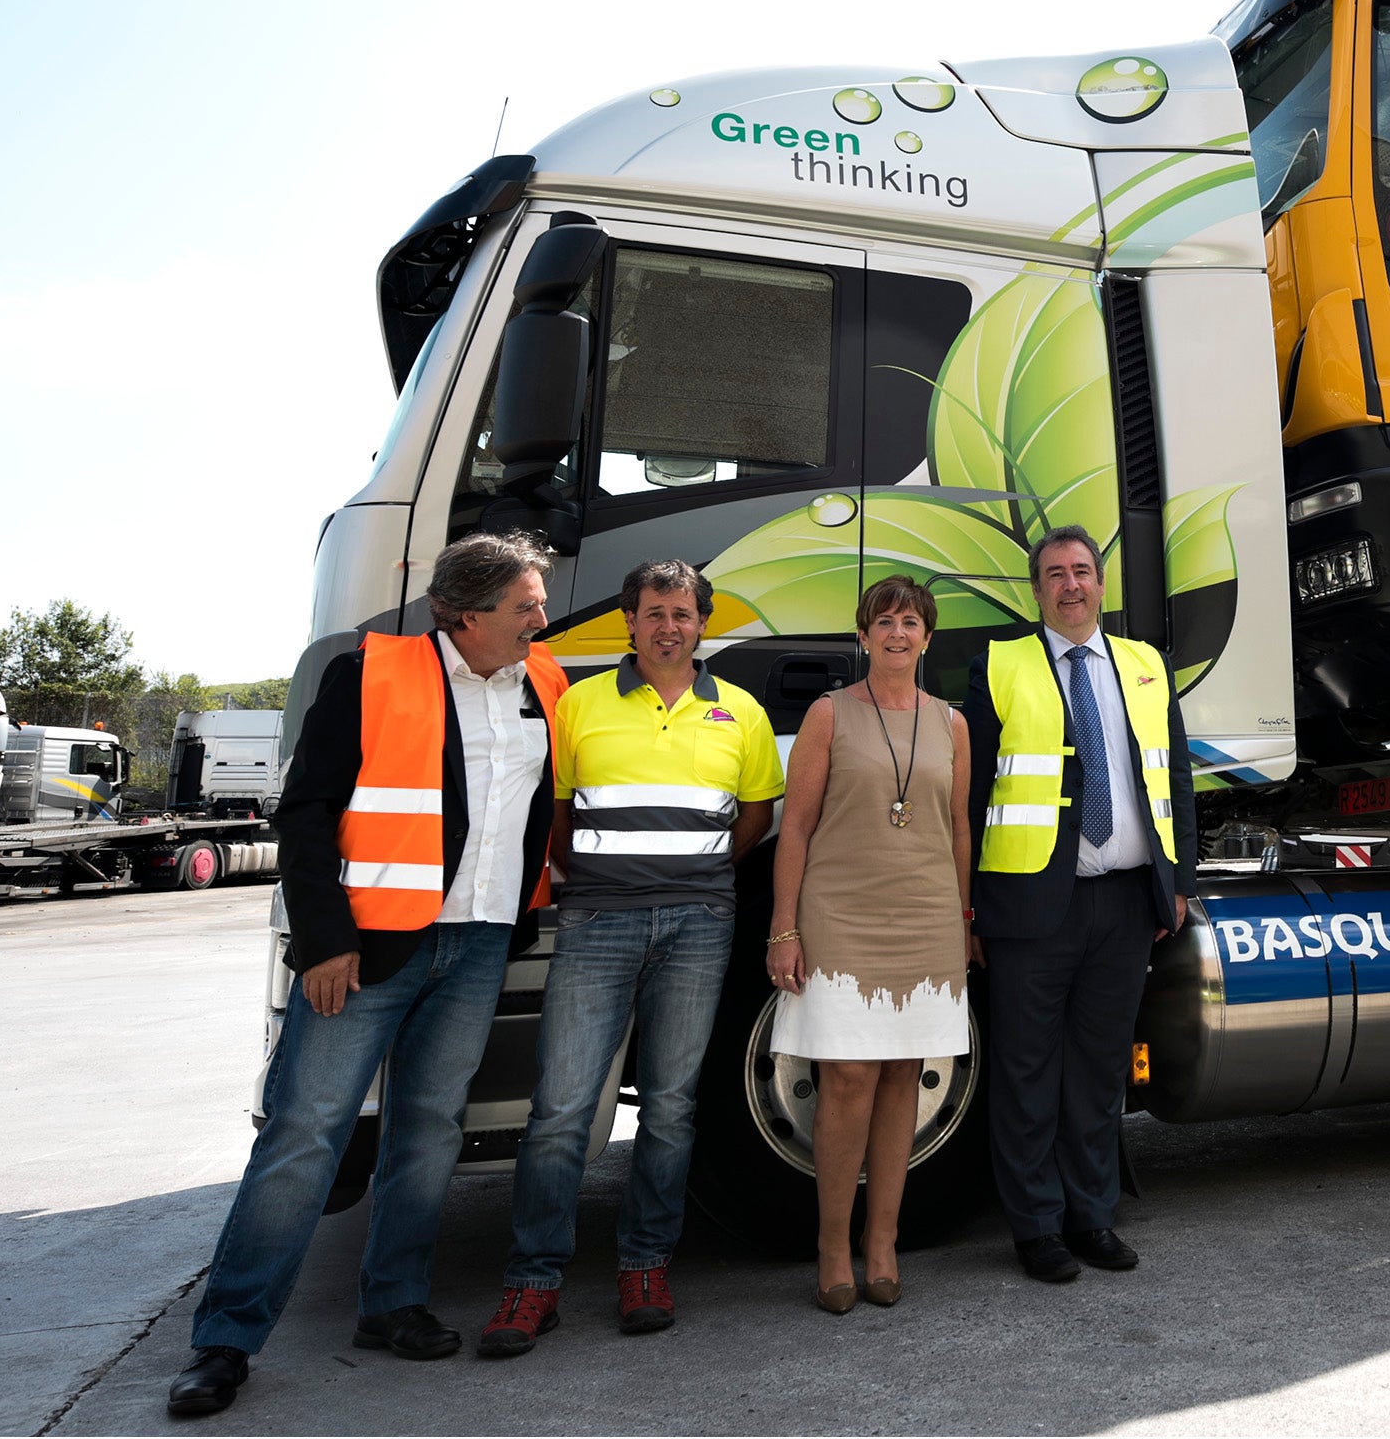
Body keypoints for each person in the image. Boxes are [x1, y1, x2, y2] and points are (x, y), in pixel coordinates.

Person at [168, 533, 565, 1418]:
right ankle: (224, 1341)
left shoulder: (543, 684)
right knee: (305, 1133)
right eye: (526, 605)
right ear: (467, 614)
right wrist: (324, 939)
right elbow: (305, 813)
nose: (542, 618)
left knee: (428, 1132)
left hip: (480, 940)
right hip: (371, 948)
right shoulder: (370, 675)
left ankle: (392, 1304)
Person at [478, 560, 785, 1357]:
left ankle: (644, 1266)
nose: (668, 626)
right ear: (631, 621)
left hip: (699, 926)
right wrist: (597, 879)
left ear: (702, 624)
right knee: (559, 1112)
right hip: (597, 923)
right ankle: (533, 1281)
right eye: (653, 612)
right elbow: (556, 813)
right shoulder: (579, 706)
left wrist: (704, 877)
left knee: (674, 1108)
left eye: (682, 613)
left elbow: (756, 813)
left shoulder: (741, 714)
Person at [962, 524, 1199, 1282]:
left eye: (1083, 571)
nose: (1071, 585)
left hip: (1128, 902)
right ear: (1036, 591)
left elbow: (1176, 781)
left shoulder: (1144, 666)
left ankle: (1092, 1217)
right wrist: (963, 906)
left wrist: (1179, 881)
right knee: (1026, 1071)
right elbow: (968, 799)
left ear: (1102, 584)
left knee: (1099, 1072)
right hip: (1031, 906)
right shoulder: (999, 666)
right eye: (1055, 574)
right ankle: (1036, 1229)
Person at [763, 575, 978, 1314]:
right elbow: (794, 826)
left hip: (924, 918)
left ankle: (881, 1243)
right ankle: (832, 1247)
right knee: (847, 1078)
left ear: (927, 637)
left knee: (901, 1079)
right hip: (840, 913)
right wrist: (783, 928)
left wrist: (961, 920)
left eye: (910, 622)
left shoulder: (951, 723)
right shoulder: (828, 714)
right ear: (862, 636)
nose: (896, 633)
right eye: (883, 621)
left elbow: (957, 830)